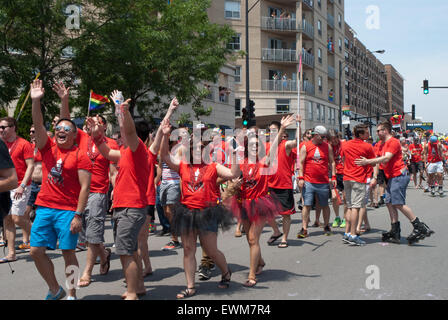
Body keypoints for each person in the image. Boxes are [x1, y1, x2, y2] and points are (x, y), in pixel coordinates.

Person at [88, 91, 158, 300]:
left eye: (123, 132)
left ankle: (131, 292)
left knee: (126, 252)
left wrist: (123, 110)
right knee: (131, 250)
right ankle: (140, 287)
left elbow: (129, 130)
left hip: (131, 208)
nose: (119, 135)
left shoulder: (139, 149)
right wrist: (96, 135)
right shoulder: (128, 152)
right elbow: (107, 153)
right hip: (124, 207)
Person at [160, 120, 240, 299]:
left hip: (207, 213)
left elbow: (233, 174)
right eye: (193, 148)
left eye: (200, 148)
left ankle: (226, 272)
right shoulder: (182, 166)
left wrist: (235, 154)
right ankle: (190, 286)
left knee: (211, 250)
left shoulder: (213, 167)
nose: (196, 151)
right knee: (188, 249)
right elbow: (164, 155)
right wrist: (165, 135)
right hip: (187, 213)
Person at [29, 79, 92, 300]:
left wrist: (78, 215)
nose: (61, 131)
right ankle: (56, 289)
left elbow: (85, 187)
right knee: (35, 251)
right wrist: (36, 102)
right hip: (45, 207)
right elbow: (38, 125)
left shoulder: (80, 155)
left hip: (68, 210)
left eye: (66, 129)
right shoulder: (48, 148)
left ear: (74, 135)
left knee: (68, 253)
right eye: (58, 129)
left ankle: (72, 294)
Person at [233, 115, 294, 287]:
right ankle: (260, 262)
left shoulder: (264, 161)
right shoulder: (241, 163)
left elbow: (274, 147)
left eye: (256, 145)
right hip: (243, 202)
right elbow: (231, 178)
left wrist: (281, 129)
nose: (254, 147)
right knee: (249, 239)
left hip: (260, 203)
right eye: (251, 145)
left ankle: (252, 275)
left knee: (253, 238)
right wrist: (234, 184)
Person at [355, 121, 434, 245]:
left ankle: (420, 227)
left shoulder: (393, 142)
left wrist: (368, 161)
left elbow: (386, 158)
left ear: (385, 130)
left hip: (399, 175)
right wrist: (373, 173)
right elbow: (375, 159)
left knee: (398, 203)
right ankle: (395, 229)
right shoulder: (380, 144)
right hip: (390, 177)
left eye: (378, 130)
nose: (376, 133)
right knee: (389, 202)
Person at [0, 117, 35, 264]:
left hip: (21, 185)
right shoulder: (1, 145)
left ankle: (41, 234)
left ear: (13, 127)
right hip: (6, 186)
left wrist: (22, 185)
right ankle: (11, 253)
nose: (1, 130)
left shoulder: (24, 144)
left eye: (4, 127)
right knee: (7, 218)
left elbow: (31, 166)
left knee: (17, 218)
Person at [265, 117, 300, 248]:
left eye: (275, 130)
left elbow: (297, 142)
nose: (272, 133)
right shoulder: (266, 145)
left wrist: (299, 125)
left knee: (285, 214)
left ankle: (284, 238)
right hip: (269, 184)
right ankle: (276, 231)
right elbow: (267, 159)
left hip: (284, 184)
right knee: (266, 212)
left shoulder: (285, 144)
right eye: (270, 131)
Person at [297, 126, 337, 238]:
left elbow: (332, 162)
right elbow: (301, 162)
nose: (324, 139)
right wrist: (301, 178)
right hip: (308, 181)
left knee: (325, 205)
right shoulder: (306, 146)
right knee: (307, 205)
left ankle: (326, 226)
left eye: (325, 137)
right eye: (322, 137)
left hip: (323, 182)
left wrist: (333, 177)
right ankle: (304, 228)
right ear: (316, 135)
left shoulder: (327, 146)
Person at [340, 125, 376, 246]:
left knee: (350, 206)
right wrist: (373, 177)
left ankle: (347, 234)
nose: (368, 135)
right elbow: (374, 162)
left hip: (347, 178)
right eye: (366, 133)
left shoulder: (345, 144)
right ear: (360, 134)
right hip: (358, 178)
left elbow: (342, 158)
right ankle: (353, 235)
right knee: (356, 207)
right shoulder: (367, 146)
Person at [0, 138, 18, 248]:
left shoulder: (22, 144)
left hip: (25, 187)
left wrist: (24, 184)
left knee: (17, 218)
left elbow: (11, 180)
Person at [328, 129, 347, 229]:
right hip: (334, 173)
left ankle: (345, 218)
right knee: (334, 197)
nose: (334, 141)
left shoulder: (344, 144)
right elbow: (330, 162)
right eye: (332, 139)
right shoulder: (328, 146)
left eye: (335, 138)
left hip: (345, 173)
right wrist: (331, 175)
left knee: (345, 198)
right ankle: (337, 217)